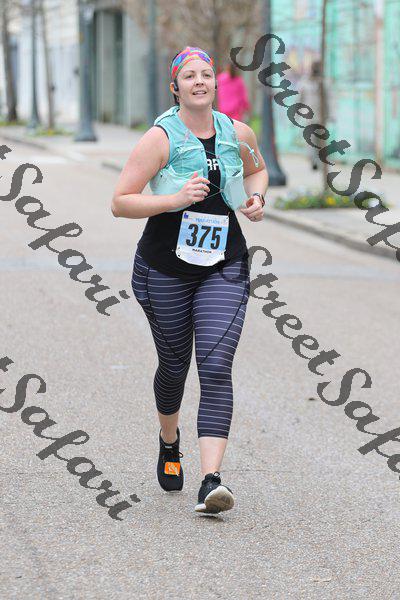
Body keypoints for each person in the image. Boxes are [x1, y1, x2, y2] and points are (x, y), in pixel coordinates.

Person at [111, 46, 268, 516]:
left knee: (216, 365)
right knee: (175, 365)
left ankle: (211, 480)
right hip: (164, 268)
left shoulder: (238, 132)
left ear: (216, 84)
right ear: (175, 88)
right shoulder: (159, 139)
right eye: (189, 76)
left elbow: (257, 170)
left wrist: (256, 199)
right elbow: (120, 201)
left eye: (206, 74)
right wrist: (175, 199)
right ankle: (168, 439)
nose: (199, 81)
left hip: (225, 265)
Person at [298, 60, 323, 170]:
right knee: (311, 140)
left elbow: (329, 99)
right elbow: (299, 99)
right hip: (308, 116)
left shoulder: (323, 81)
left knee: (320, 140)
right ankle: (313, 160)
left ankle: (319, 159)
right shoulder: (304, 82)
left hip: (321, 116)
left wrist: (331, 115)